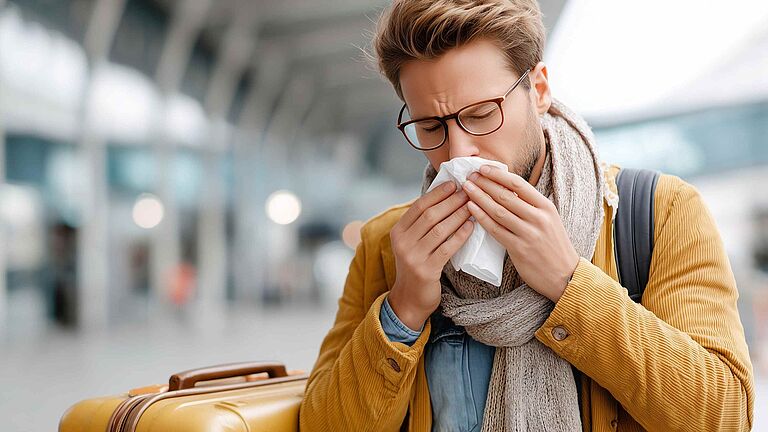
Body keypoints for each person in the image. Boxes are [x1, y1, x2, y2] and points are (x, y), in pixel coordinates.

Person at [299, 1, 755, 430]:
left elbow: (725, 415)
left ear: (538, 89)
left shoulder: (660, 212)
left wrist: (569, 284)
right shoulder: (386, 244)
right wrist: (402, 311)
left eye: (481, 115)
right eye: (431, 127)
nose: (458, 152)